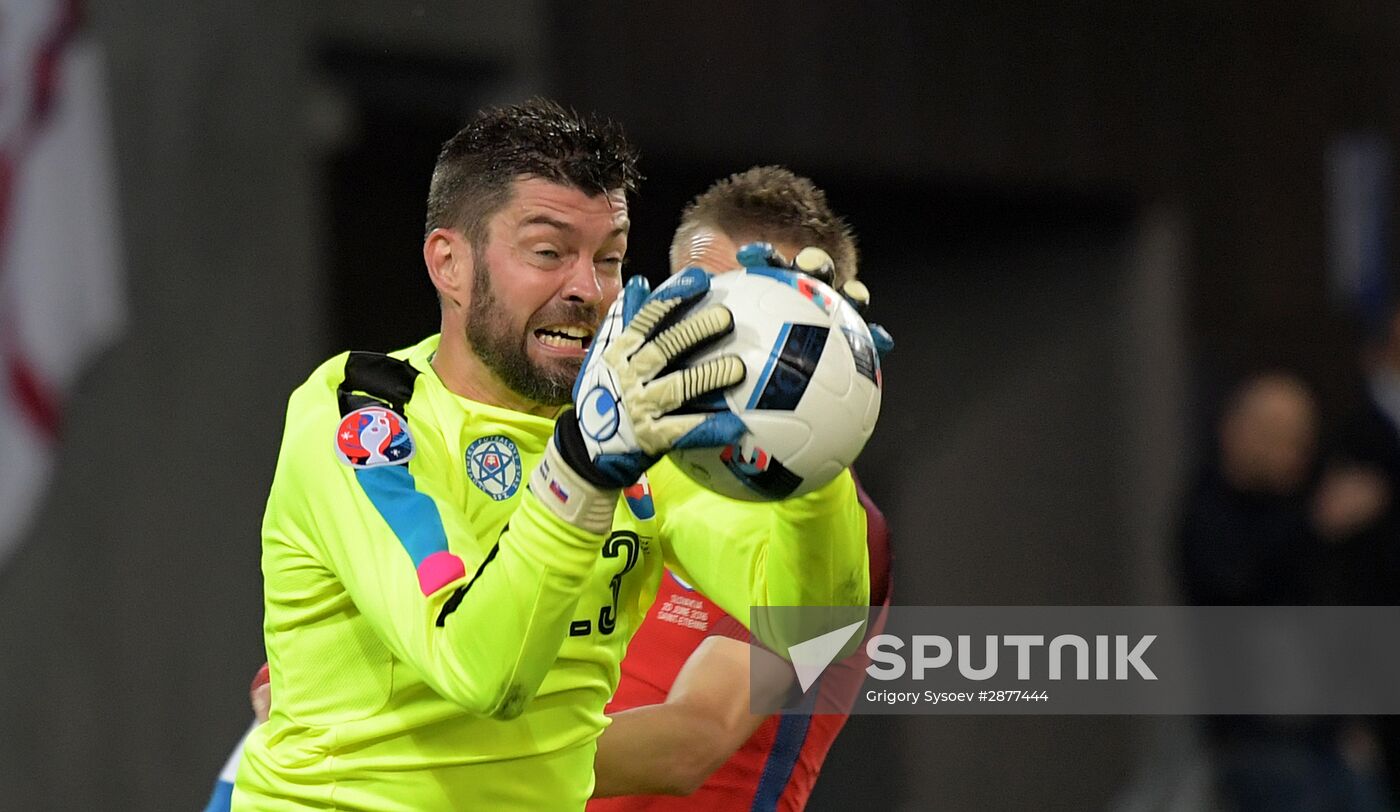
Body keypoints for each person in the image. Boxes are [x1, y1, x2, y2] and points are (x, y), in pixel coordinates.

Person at [231, 100, 870, 811]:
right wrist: (584, 469)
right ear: (450, 263)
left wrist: (812, 445)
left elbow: (814, 632)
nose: (586, 291)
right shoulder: (363, 417)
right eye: (548, 253)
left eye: (609, 259)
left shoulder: (642, 438)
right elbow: (481, 673)